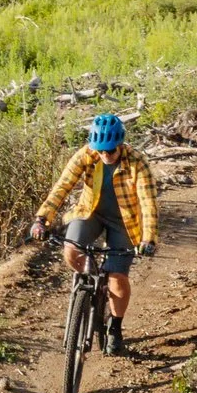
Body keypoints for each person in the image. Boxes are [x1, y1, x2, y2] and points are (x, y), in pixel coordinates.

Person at [27, 112, 160, 356]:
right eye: (101, 151)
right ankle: (90, 286)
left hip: (125, 221)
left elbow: (148, 203)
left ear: (120, 145)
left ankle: (115, 327)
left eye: (110, 151)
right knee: (71, 249)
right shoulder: (87, 154)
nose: (105, 155)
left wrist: (148, 239)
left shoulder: (137, 163)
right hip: (90, 213)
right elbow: (62, 186)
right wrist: (41, 220)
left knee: (117, 277)